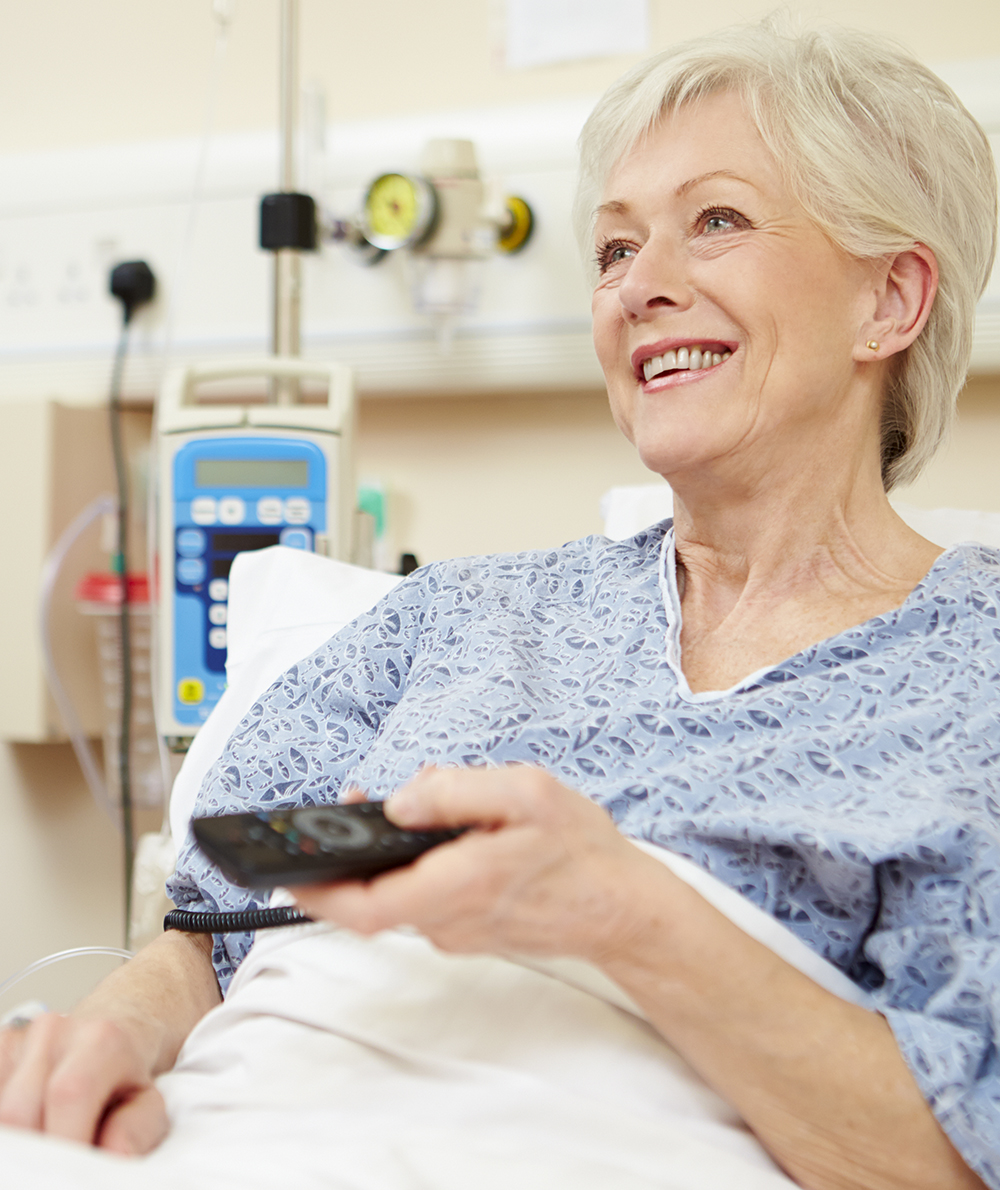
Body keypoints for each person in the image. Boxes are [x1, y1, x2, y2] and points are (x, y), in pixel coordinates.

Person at [1, 15, 998, 1190]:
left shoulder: (970, 675)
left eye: (716, 220)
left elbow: (952, 1146)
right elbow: (211, 927)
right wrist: (108, 1040)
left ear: (891, 300)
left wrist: (615, 908)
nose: (640, 288)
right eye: (614, 250)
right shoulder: (449, 620)